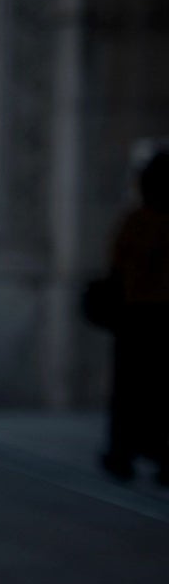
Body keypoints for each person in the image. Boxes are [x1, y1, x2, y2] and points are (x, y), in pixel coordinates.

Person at [101, 149, 169, 485]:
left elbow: (117, 265)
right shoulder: (139, 221)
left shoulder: (137, 221)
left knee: (129, 389)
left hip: (136, 315)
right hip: (148, 315)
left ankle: (122, 453)